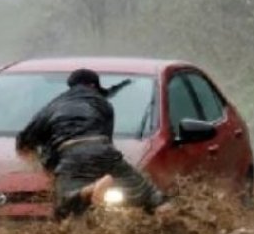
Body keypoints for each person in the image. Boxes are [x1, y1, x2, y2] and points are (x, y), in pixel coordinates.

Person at [16, 68, 169, 220]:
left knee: (64, 207)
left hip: (71, 153)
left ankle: (88, 191)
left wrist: (41, 163)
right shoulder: (103, 103)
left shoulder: (53, 106)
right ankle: (170, 218)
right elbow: (107, 139)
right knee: (150, 194)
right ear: (93, 86)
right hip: (104, 150)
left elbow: (24, 141)